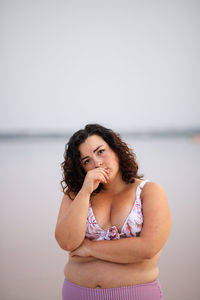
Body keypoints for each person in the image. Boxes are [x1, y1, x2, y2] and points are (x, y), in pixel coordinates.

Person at [55, 123, 172, 300]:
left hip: (136, 294)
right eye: (87, 161)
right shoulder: (76, 194)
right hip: (77, 293)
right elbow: (67, 243)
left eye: (100, 151)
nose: (97, 163)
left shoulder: (150, 191)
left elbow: (148, 247)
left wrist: (89, 248)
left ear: (115, 149)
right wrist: (85, 191)